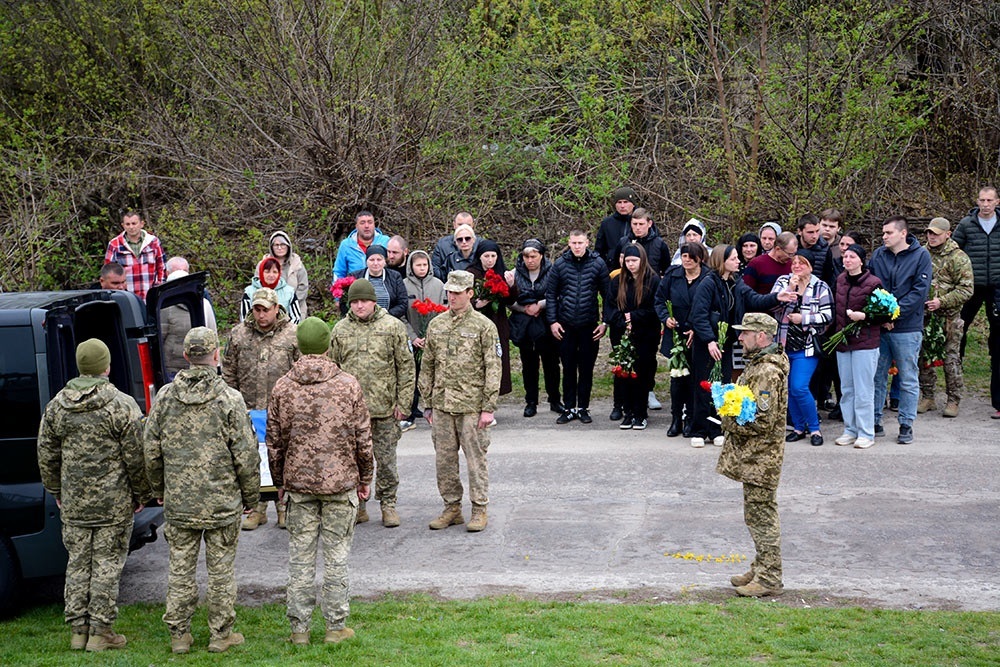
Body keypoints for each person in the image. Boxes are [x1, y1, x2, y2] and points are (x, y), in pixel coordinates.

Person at [144, 327, 260, 654]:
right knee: (221, 571)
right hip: (221, 500)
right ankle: (220, 634)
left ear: (185, 356)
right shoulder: (229, 398)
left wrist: (159, 488)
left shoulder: (165, 397)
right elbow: (246, 454)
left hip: (180, 500)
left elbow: (151, 449)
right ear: (216, 355)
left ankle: (179, 634)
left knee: (180, 568)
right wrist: (251, 497)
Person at [37, 339, 151, 652]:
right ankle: (101, 631)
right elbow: (135, 456)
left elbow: (46, 453)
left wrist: (56, 489)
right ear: (106, 367)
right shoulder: (121, 404)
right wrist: (141, 493)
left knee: (77, 563)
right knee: (106, 564)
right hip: (113, 502)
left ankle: (78, 631)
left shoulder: (57, 406)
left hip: (75, 502)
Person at [267, 317, 374, 645]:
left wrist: (279, 481)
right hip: (340, 484)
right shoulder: (348, 384)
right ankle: (335, 626)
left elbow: (274, 442)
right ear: (328, 345)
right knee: (337, 555)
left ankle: (299, 629)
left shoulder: (283, 387)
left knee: (300, 557)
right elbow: (363, 438)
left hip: (299, 486)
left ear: (299, 345)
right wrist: (365, 476)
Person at [419, 270, 501, 533]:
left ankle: (479, 508)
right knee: (444, 461)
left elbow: (493, 367)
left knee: (476, 461)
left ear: (470, 293)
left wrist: (488, 407)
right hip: (442, 404)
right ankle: (452, 507)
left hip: (471, 406)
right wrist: (427, 403)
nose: (451, 297)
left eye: (457, 292)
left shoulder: (484, 326)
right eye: (449, 292)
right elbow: (428, 365)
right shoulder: (437, 325)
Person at [330, 279, 414, 527]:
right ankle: (359, 506)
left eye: (364, 301)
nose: (359, 306)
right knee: (353, 461)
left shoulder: (392, 326)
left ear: (374, 301)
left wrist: (404, 403)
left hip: (385, 409)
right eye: (354, 302)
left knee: (386, 461)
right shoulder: (340, 330)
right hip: (351, 412)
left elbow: (406, 367)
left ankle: (388, 504)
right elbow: (333, 369)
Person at [717, 313, 789, 597]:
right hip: (756, 456)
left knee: (762, 517)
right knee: (756, 514)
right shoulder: (759, 364)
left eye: (745, 333)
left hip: (762, 458)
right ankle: (761, 568)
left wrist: (727, 419)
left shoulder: (766, 371)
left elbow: (762, 420)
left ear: (761, 337)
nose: (740, 338)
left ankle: (770, 578)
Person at [689, 246, 790, 448]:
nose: (738, 261)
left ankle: (716, 429)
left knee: (723, 385)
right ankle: (699, 430)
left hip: (725, 343)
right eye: (734, 258)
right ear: (722, 261)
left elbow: (753, 299)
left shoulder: (736, 281)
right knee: (703, 385)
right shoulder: (708, 283)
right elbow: (698, 315)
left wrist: (776, 297)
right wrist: (709, 340)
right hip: (707, 344)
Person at [223, 287, 300, 529]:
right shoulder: (239, 334)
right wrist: (233, 403)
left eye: (265, 310)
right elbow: (229, 371)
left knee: (281, 459)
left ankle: (283, 507)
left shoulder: (292, 334)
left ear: (277, 309)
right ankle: (257, 508)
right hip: (248, 408)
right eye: (257, 309)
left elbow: (300, 371)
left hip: (280, 410)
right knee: (252, 460)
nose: (261, 315)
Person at [869, 215, 933, 444]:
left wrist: (894, 314)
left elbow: (919, 292)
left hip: (907, 328)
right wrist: (881, 316)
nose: (884, 237)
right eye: (883, 233)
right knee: (877, 376)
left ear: (903, 233)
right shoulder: (878, 255)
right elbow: (870, 286)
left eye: (889, 233)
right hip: (880, 328)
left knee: (907, 377)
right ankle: (874, 420)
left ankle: (906, 423)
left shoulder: (921, 256)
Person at [545, 230, 610, 425]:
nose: (577, 246)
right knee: (568, 368)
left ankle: (583, 408)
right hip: (565, 325)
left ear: (587, 243)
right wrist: (553, 321)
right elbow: (551, 294)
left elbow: (608, 295)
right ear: (569, 243)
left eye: (580, 243)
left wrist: (605, 322)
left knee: (586, 368)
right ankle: (568, 408)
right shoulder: (560, 264)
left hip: (589, 326)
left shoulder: (598, 263)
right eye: (574, 243)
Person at [771, 251, 833, 446]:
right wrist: (790, 289)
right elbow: (772, 306)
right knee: (789, 388)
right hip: (783, 344)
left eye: (802, 263)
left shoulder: (821, 287)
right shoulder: (783, 281)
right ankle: (798, 427)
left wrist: (804, 318)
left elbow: (827, 316)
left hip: (807, 346)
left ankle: (814, 429)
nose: (796, 266)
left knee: (799, 387)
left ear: (811, 267)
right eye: (794, 263)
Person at [918, 217, 973, 417]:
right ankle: (928, 397)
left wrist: (943, 301)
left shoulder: (958, 258)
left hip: (949, 318)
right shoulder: (921, 254)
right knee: (924, 358)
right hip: (925, 317)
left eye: (936, 234)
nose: (931, 237)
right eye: (929, 233)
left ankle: (953, 400)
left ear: (947, 234)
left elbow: (966, 290)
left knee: (951, 359)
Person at [953, 186, 1000, 418]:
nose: (985, 204)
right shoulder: (966, 224)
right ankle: (955, 373)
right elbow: (953, 250)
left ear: (997, 201)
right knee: (960, 328)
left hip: (998, 287)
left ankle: (996, 380)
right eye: (982, 200)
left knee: (997, 334)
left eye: (989, 200)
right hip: (971, 286)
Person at [831, 244, 883, 449]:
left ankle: (866, 432)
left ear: (861, 260)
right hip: (844, 343)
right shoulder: (840, 280)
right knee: (847, 389)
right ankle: (850, 429)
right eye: (845, 256)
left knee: (863, 390)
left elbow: (884, 313)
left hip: (865, 343)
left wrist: (864, 316)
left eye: (852, 257)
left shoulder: (874, 283)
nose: (847, 260)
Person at [655, 242, 709, 438]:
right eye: (684, 256)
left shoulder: (708, 277)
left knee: (694, 379)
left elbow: (710, 306)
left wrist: (696, 326)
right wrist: (665, 318)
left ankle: (691, 419)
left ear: (700, 258)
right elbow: (659, 299)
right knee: (677, 379)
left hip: (697, 335)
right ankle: (676, 418)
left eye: (691, 257)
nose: (687, 260)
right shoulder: (673, 275)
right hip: (676, 333)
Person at [605, 245, 661, 430]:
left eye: (634, 261)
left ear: (642, 260)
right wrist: (623, 321)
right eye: (627, 261)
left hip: (645, 334)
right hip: (622, 333)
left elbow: (655, 309)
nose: (630, 264)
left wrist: (634, 317)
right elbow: (609, 307)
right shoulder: (617, 280)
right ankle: (627, 412)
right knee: (625, 374)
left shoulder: (653, 280)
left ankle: (640, 414)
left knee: (642, 373)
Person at [508, 239, 562, 417]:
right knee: (529, 365)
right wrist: (524, 309)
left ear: (541, 256)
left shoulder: (553, 271)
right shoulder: (514, 274)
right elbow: (508, 299)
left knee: (551, 363)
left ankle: (555, 399)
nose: (530, 260)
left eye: (533, 256)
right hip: (524, 324)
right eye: (526, 257)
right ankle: (531, 401)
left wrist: (540, 305)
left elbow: (559, 293)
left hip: (546, 322)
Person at [402, 249, 447, 430]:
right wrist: (413, 337)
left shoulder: (439, 285)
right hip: (413, 340)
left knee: (435, 376)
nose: (421, 268)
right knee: (412, 377)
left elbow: (445, 310)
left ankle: (436, 411)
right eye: (418, 265)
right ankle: (410, 412)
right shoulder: (404, 285)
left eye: (424, 265)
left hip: (433, 339)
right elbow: (401, 315)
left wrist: (432, 336)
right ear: (411, 267)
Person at [161, 258, 218, 380]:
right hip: (172, 369)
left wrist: (215, 365)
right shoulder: (165, 308)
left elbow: (213, 334)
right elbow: (160, 339)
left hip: (201, 367)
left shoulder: (204, 305)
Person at [469, 239, 513, 397]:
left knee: (497, 359)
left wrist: (512, 285)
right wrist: (475, 304)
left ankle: (493, 395)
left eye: (493, 256)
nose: (490, 260)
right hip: (476, 323)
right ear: (479, 256)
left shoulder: (502, 271)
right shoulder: (472, 273)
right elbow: (463, 297)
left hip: (497, 321)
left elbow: (511, 300)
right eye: (486, 256)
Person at [104, 210, 166, 301]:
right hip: (126, 297)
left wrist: (159, 288)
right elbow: (108, 272)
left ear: (141, 224)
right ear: (123, 225)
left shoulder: (153, 242)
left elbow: (162, 267)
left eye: (134, 223)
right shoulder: (114, 244)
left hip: (151, 296)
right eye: (127, 224)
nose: (131, 227)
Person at [340, 245, 409, 320]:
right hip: (360, 321)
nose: (375, 263)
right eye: (372, 260)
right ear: (366, 261)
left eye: (379, 260)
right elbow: (345, 301)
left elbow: (403, 303)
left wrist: (386, 315)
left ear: (385, 261)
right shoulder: (354, 277)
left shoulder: (395, 277)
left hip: (389, 319)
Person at [241, 256, 302, 324]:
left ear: (279, 273)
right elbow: (245, 319)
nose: (271, 275)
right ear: (261, 272)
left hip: (284, 329)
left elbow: (296, 318)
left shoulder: (289, 292)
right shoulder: (249, 292)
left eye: (275, 272)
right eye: (267, 272)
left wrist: (286, 329)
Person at [332, 211, 390, 280]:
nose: (366, 226)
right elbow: (339, 272)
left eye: (370, 222)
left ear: (374, 225)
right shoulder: (346, 245)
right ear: (356, 226)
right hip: (355, 285)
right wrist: (338, 286)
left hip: (382, 284)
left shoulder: (385, 241)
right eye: (362, 223)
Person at [611, 207, 671, 275]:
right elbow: (616, 267)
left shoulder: (659, 244)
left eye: (641, 224)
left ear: (649, 223)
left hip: (652, 280)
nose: (638, 228)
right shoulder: (623, 243)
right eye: (635, 224)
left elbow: (666, 270)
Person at [267, 231, 309, 317]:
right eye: (276, 245)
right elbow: (258, 286)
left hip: (296, 309)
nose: (279, 248)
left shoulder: (297, 264)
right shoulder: (264, 264)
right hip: (269, 311)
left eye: (283, 244)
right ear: (271, 247)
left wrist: (291, 303)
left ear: (288, 246)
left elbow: (303, 287)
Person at [595, 186, 637, 269]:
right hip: (612, 269)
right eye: (619, 202)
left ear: (633, 204)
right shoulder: (607, 223)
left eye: (625, 202)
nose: (622, 206)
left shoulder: (642, 222)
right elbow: (599, 250)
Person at [432, 212, 478, 281]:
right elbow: (435, 268)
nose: (463, 227)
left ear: (473, 225)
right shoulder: (442, 244)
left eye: (468, 225)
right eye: (460, 224)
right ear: (454, 225)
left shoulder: (482, 245)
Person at [795, 213, 835, 288]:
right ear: (800, 231)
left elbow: (828, 277)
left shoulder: (825, 249)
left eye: (817, 231)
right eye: (810, 232)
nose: (815, 236)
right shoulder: (791, 247)